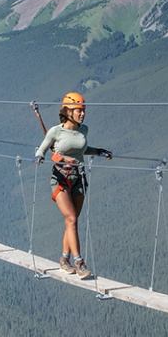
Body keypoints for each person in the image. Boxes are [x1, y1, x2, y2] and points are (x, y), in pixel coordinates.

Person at [34, 90, 112, 275]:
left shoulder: (83, 130)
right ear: (68, 111)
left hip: (79, 178)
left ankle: (64, 259)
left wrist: (99, 151)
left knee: (72, 222)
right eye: (79, 110)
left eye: (83, 110)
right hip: (60, 179)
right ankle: (79, 262)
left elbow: (81, 150)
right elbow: (42, 149)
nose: (82, 113)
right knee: (71, 219)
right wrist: (41, 157)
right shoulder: (55, 131)